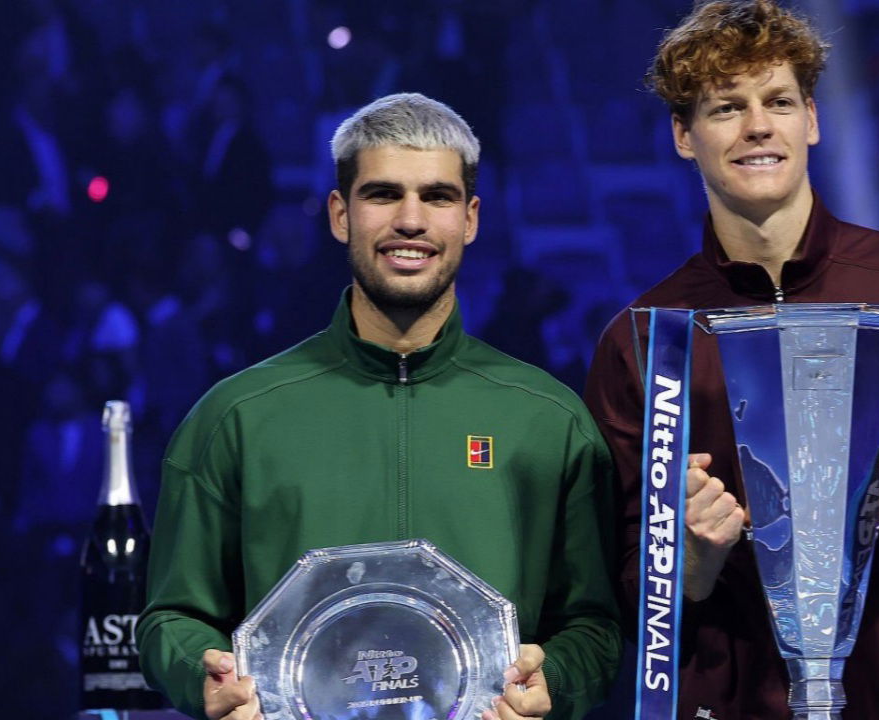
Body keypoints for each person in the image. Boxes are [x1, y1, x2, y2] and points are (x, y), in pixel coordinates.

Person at [582, 2, 879, 718]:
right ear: (683, 135)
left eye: (778, 102)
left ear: (811, 119)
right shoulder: (649, 340)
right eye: (726, 108)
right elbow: (629, 594)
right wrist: (691, 556)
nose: (757, 126)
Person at [138, 93, 621, 720]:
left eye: (438, 197)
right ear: (340, 214)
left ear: (471, 219)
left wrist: (554, 679)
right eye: (383, 194)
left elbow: (595, 626)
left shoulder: (549, 420)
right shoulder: (236, 417)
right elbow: (172, 618)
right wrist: (203, 677)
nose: (411, 220)